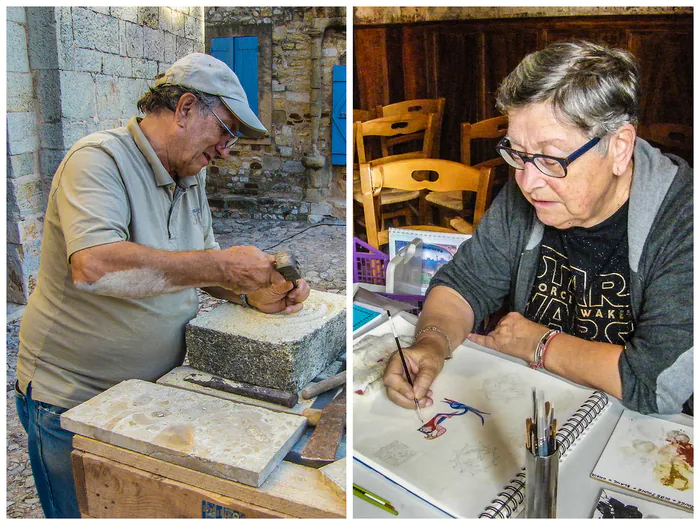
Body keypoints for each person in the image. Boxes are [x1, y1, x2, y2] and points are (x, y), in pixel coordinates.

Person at [15, 53, 310, 518]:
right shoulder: (98, 160)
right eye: (227, 130)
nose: (227, 148)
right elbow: (94, 267)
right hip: (72, 398)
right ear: (186, 108)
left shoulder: (189, 173)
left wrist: (254, 292)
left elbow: (197, 267)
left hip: (151, 391)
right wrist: (222, 267)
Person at [383, 41, 692, 418]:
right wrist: (431, 345)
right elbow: (466, 283)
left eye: (550, 158)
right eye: (517, 153)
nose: (529, 182)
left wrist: (537, 343)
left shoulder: (683, 218)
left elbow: (654, 384)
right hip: (536, 403)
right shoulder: (529, 184)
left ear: (619, 147)